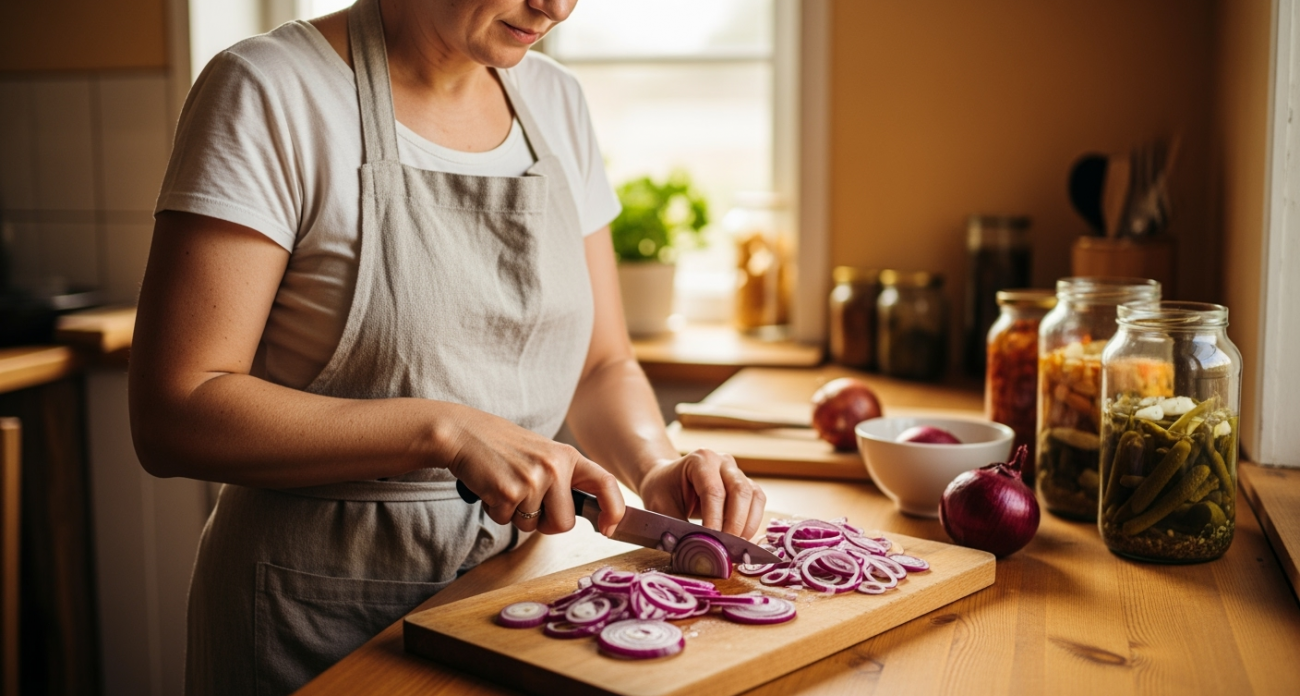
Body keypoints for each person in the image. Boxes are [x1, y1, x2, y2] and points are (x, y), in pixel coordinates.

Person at [127, 0, 767, 694]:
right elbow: (174, 412)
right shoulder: (270, 89)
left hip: (511, 603)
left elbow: (601, 364)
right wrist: (443, 430)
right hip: (311, 616)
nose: (555, 5)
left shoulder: (557, 101)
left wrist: (653, 466)